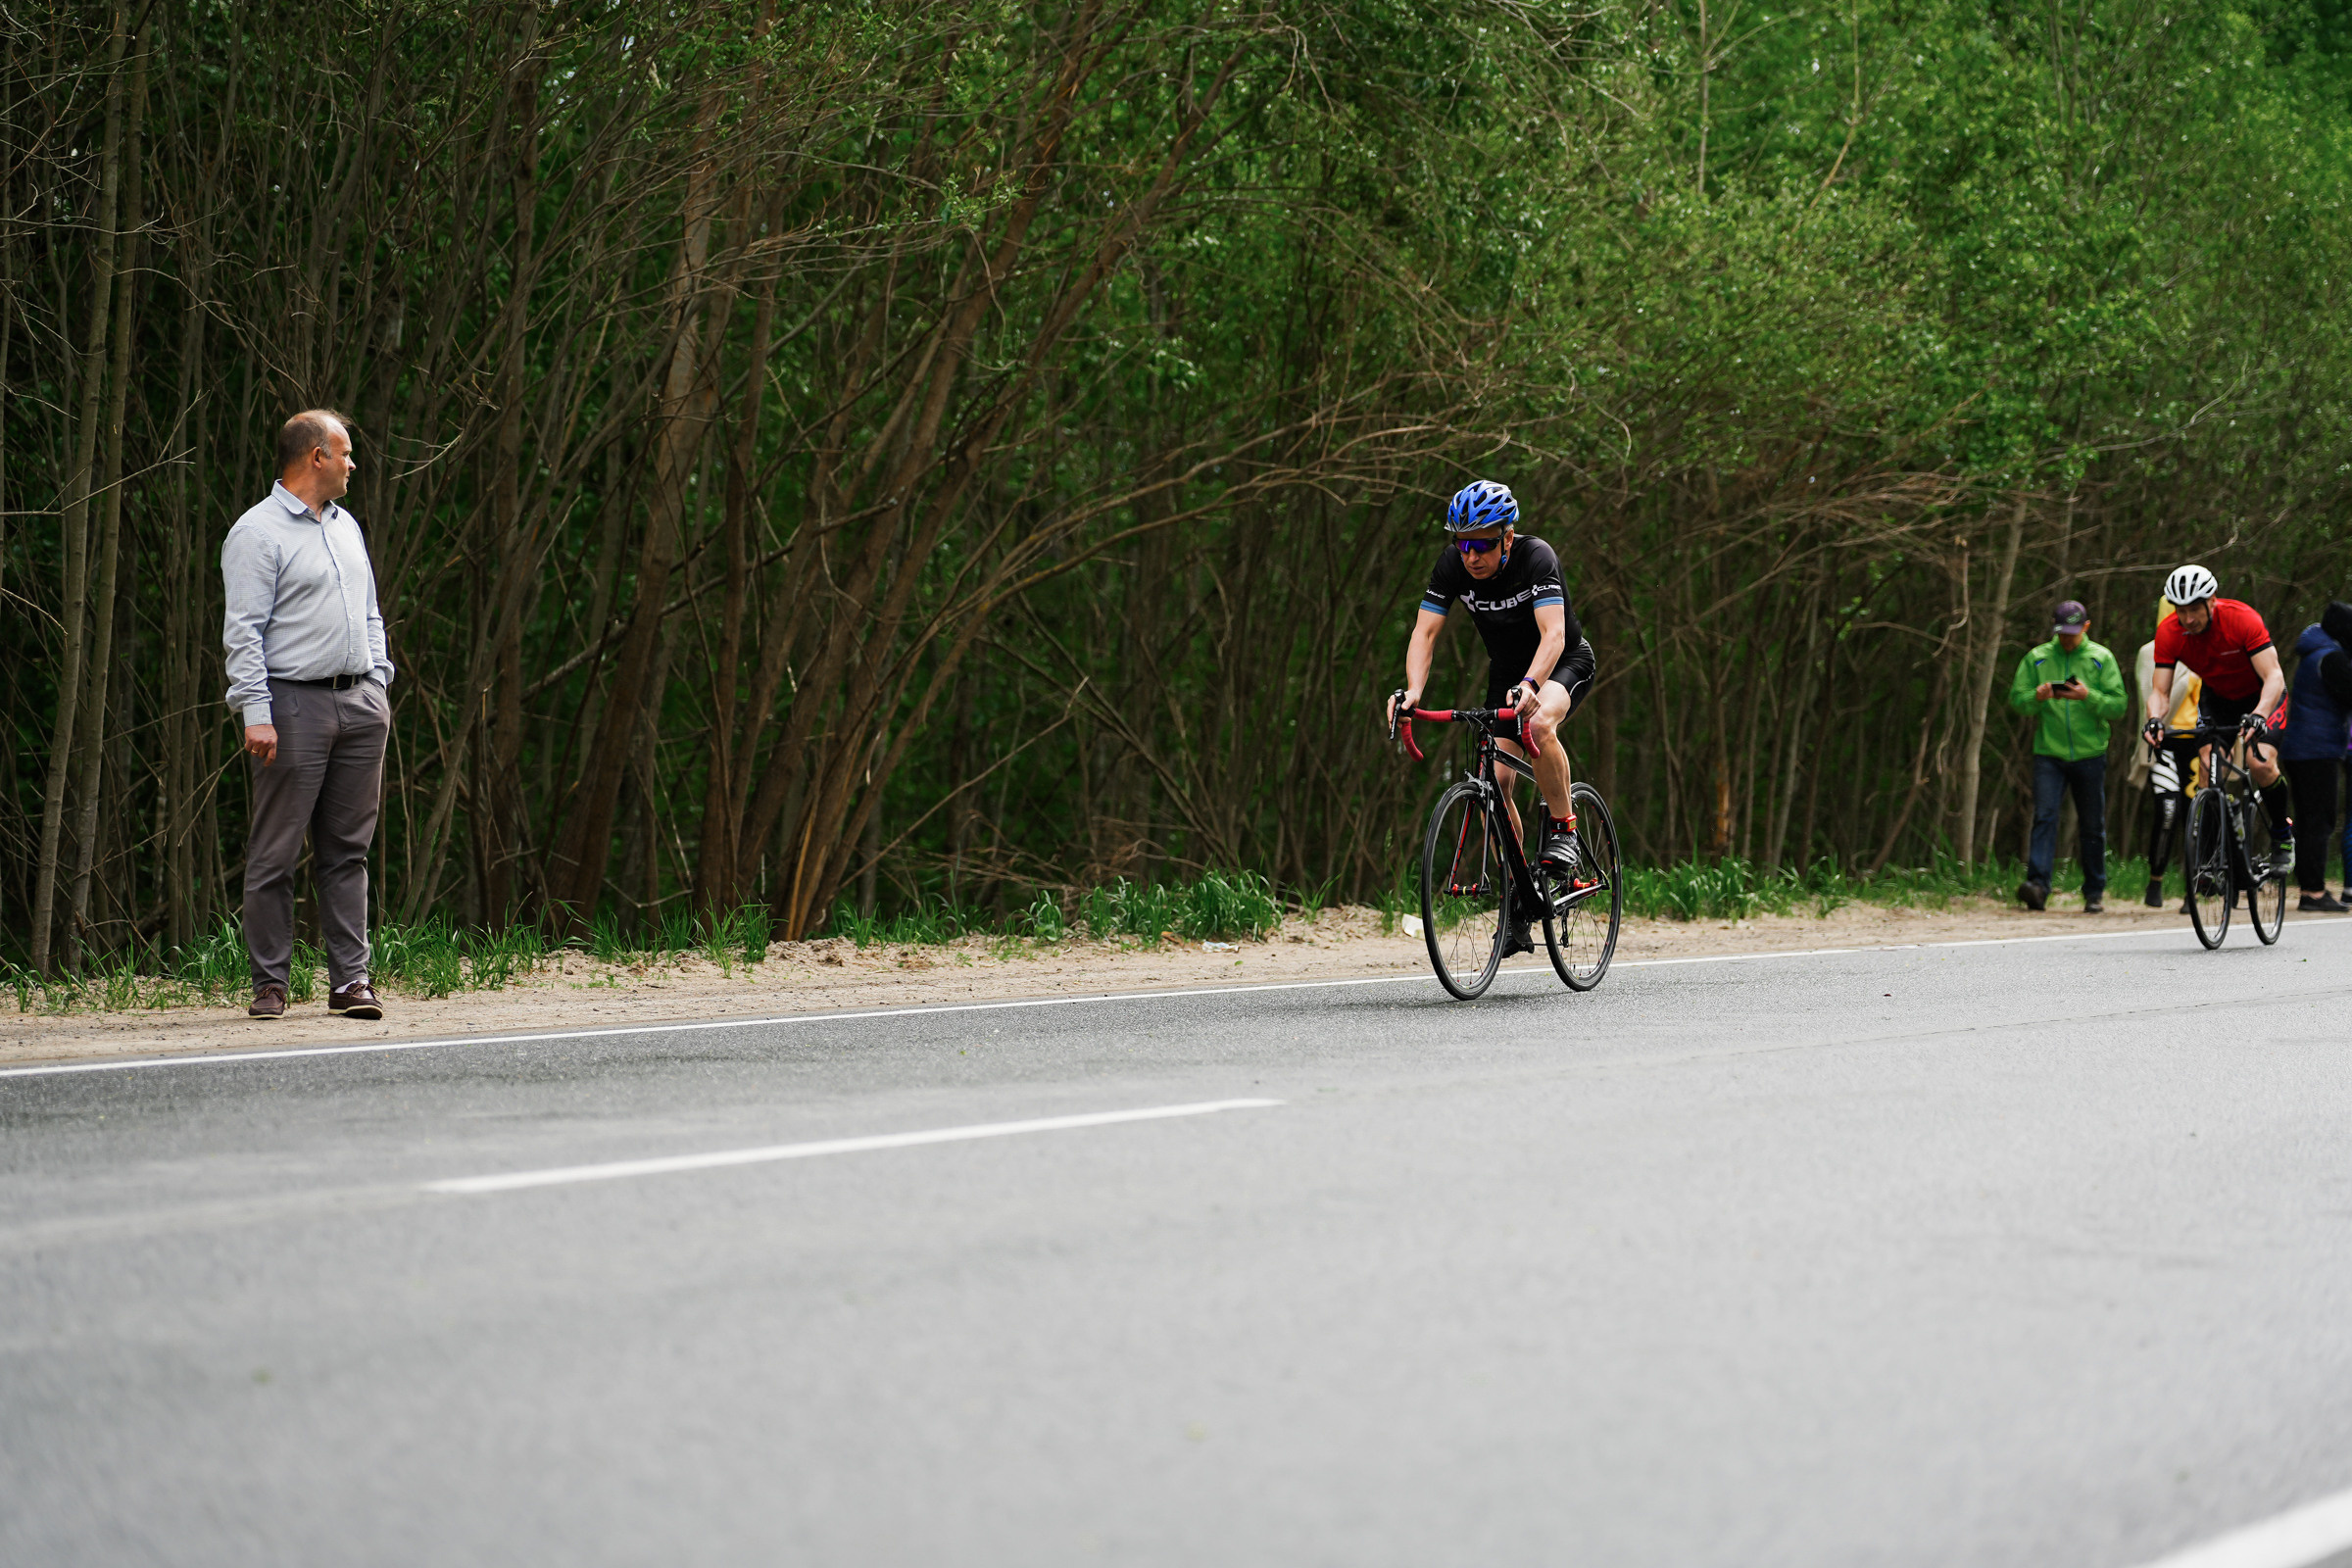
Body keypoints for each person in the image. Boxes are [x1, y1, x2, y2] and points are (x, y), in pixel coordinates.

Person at [221, 410, 395, 1020]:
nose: (353, 464)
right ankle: (270, 983)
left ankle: (351, 983)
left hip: (359, 704)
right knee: (275, 852)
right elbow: (242, 633)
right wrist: (255, 712)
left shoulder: (346, 526)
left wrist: (379, 682)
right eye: (345, 453)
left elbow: (371, 612)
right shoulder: (257, 532)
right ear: (315, 456)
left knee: (347, 852)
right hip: (291, 706)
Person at [1388, 480, 1595, 956]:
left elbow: (1554, 633)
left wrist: (1532, 686)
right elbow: (1424, 633)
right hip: (1506, 672)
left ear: (1507, 536)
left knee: (1540, 725)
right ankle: (1521, 895)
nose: (1471, 555)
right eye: (1462, 544)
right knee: (1496, 784)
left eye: (1482, 543)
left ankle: (1565, 828)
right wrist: (1414, 692)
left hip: (1563, 661)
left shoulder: (1536, 557)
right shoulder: (1453, 566)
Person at [2142, 564, 2293, 878]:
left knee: (2260, 763)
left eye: (2195, 609)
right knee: (2209, 770)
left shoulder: (2242, 619)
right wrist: (2155, 720)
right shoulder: (2170, 632)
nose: (2188, 619)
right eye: (2181, 611)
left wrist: (2259, 715)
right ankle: (2212, 860)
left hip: (2263, 695)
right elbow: (2160, 690)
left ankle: (2282, 835)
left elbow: (2274, 675)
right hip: (2219, 699)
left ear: (2212, 600)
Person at [2007, 600, 2129, 912]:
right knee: (2045, 817)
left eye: (2073, 634)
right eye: (2062, 633)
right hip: (2049, 753)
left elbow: (2118, 706)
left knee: (2091, 824)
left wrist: (2089, 697)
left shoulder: (2102, 658)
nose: (2067, 640)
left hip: (2091, 754)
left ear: (2086, 628)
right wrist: (2037, 697)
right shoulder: (2037, 658)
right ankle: (2037, 887)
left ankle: (2094, 892)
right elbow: (2017, 701)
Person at [2281, 603, 2352, 911]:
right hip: (2317, 749)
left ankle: (2309, 888)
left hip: (2300, 747)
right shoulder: (2332, 658)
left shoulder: (2314, 652)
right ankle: (2313, 892)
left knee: (2308, 819)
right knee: (2318, 821)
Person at [2130, 606, 2201, 908]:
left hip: (2199, 744)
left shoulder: (2210, 648)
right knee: (2168, 811)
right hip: (2165, 743)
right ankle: (2155, 879)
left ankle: (2193, 889)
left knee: (2196, 815)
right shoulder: (2150, 653)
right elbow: (2153, 698)